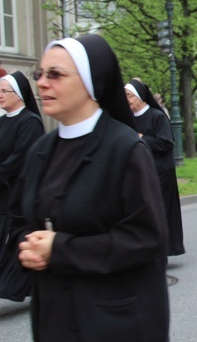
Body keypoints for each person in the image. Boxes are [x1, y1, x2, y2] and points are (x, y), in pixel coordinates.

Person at [8, 34, 170, 341]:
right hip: (55, 320)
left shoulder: (125, 149)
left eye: (55, 74)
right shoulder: (41, 151)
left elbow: (145, 238)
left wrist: (59, 249)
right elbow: (20, 221)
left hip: (112, 323)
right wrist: (26, 248)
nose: (42, 83)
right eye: (39, 74)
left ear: (90, 82)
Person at [125, 79, 186, 256]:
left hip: (161, 173)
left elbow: (166, 143)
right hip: (139, 172)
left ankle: (163, 250)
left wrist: (141, 137)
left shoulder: (157, 116)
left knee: (161, 213)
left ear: (140, 97)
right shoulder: (128, 118)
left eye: (129, 96)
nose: (126, 100)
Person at [0, 71, 45, 301]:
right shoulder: (2, 120)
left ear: (18, 94)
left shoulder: (30, 122)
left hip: (18, 195)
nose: (0, 95)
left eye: (4, 91)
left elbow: (19, 158)